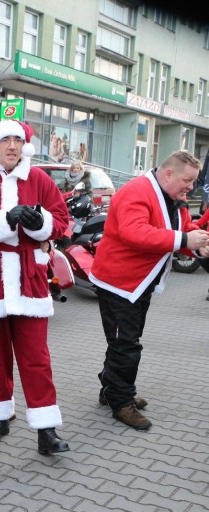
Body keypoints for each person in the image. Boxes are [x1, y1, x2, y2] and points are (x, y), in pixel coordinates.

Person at [0, 120, 71, 456]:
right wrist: (5, 220)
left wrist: (41, 225)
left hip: (28, 281)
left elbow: (61, 222)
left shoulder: (39, 180)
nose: (11, 146)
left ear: (24, 147)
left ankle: (46, 430)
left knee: (36, 359)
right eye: (4, 140)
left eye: (17, 140)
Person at [89, 150, 209, 430]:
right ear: (169, 173)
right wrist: (184, 238)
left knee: (122, 342)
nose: (191, 187)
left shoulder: (172, 197)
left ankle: (112, 390)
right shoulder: (136, 191)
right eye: (188, 180)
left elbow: (180, 228)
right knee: (126, 345)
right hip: (119, 284)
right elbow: (135, 232)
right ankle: (121, 402)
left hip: (137, 284)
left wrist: (196, 242)